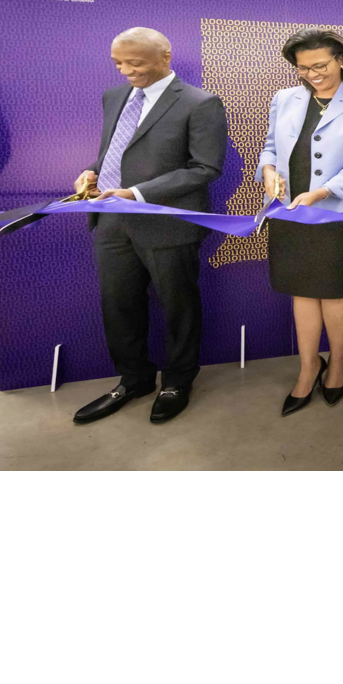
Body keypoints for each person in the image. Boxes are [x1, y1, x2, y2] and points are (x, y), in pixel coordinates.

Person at [70, 27, 227, 425]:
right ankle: (134, 379)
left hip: (167, 224)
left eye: (135, 63)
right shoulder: (114, 97)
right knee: (118, 305)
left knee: (178, 306)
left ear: (165, 57)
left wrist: (136, 193)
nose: (126, 71)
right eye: (119, 63)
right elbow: (115, 151)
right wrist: (92, 172)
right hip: (111, 221)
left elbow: (205, 167)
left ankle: (177, 381)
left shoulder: (201, 102)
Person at [258, 29, 343, 416]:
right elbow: (270, 146)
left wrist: (322, 192)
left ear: (341, 60)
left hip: (339, 212)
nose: (312, 74)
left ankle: (339, 363)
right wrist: (268, 172)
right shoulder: (284, 98)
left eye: (320, 65)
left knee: (333, 292)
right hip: (289, 211)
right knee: (301, 291)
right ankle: (308, 366)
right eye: (303, 68)